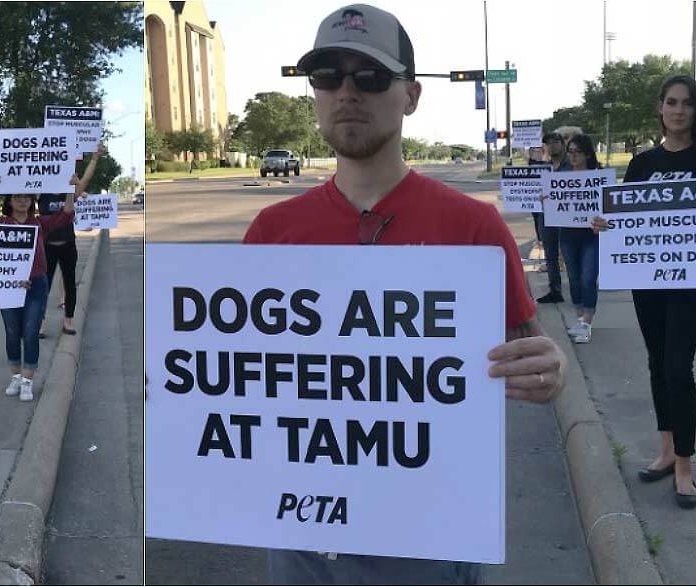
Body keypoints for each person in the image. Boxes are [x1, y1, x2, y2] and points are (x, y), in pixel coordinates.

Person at [242, 4, 566, 584]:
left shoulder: (475, 228)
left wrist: (547, 371)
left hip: (427, 540)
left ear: (411, 96)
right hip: (301, 539)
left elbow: (528, 351)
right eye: (328, 76)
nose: (348, 92)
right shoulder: (273, 231)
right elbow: (240, 370)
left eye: (370, 76)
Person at [591, 75, 696, 509]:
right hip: (648, 281)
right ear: (660, 108)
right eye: (671, 102)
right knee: (657, 363)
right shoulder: (642, 163)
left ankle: (686, 466)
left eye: (687, 104)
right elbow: (627, 218)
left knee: (679, 366)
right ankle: (667, 451)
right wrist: (604, 225)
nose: (678, 110)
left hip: (690, 281)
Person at [0, 158, 94, 401]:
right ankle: (16, 376)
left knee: (30, 332)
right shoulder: (2, 224)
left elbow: (66, 215)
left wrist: (71, 190)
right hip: (7, 288)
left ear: (32, 200)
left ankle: (28, 380)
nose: (22, 199)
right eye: (17, 196)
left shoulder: (39, 223)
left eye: (26, 196)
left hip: (36, 286)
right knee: (11, 332)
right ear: (9, 200)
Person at [38, 144, 106, 337]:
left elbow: (85, 179)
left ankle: (68, 321)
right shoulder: (42, 190)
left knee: (69, 284)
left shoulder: (72, 191)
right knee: (44, 285)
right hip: (47, 246)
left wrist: (94, 158)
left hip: (67, 244)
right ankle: (40, 323)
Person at [555, 134, 602, 344]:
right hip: (567, 235)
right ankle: (580, 318)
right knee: (573, 278)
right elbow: (553, 201)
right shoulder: (561, 177)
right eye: (570, 152)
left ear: (588, 154)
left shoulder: (598, 176)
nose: (573, 157)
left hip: (591, 236)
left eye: (577, 152)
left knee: (588, 278)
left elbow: (610, 205)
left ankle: (587, 323)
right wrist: (546, 198)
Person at [533, 131, 572, 304]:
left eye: (555, 141)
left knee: (571, 253)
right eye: (548, 143)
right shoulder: (543, 168)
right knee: (550, 254)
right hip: (546, 215)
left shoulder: (571, 165)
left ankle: (578, 289)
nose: (552, 145)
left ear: (562, 144)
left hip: (568, 215)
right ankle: (555, 290)